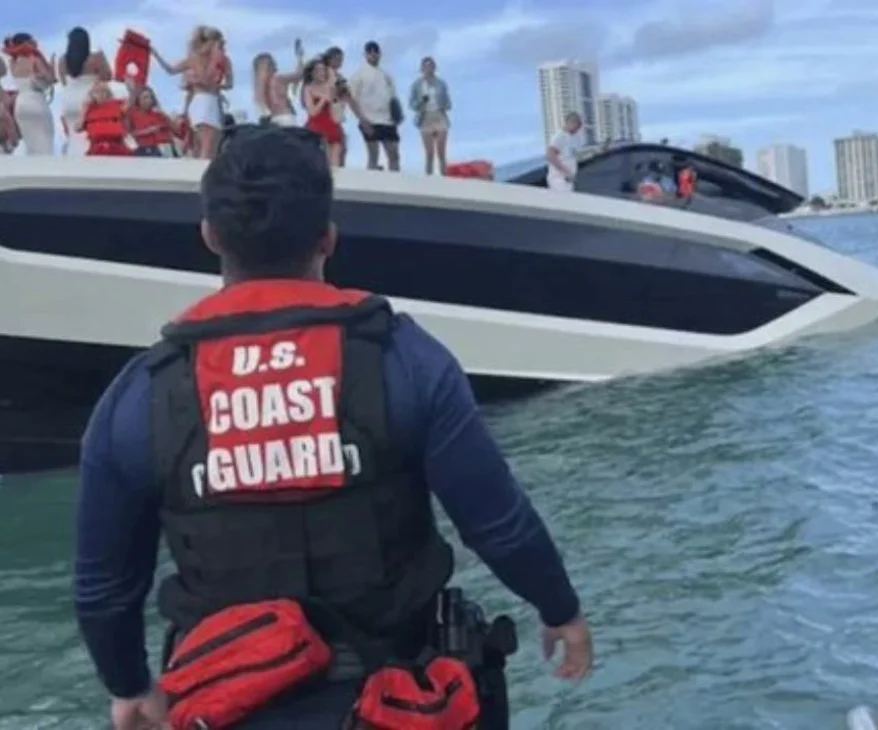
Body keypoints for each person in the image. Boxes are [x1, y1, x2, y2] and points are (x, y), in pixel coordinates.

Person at [73, 124, 593, 730]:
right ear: (328, 238)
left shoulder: (142, 393)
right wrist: (562, 611)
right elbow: (497, 524)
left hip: (225, 712)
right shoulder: (404, 358)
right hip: (398, 703)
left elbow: (104, 589)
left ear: (211, 237)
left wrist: (129, 684)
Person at [151, 26, 226, 159]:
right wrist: (155, 54)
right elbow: (171, 70)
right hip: (201, 101)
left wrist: (217, 86)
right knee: (205, 142)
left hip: (213, 102)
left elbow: (223, 83)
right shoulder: (194, 59)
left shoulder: (219, 60)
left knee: (212, 144)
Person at [58, 26, 111, 156]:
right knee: (90, 137)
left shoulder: (62, 61)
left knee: (73, 136)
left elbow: (64, 82)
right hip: (89, 98)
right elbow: (108, 76)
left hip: (69, 100)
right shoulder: (96, 57)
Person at [351, 40, 400, 171]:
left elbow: (392, 99)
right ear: (365, 54)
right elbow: (351, 99)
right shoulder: (359, 74)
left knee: (394, 155)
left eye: (375, 51)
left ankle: (395, 185)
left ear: (379, 54)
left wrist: (396, 118)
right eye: (370, 52)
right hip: (369, 119)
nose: (373, 54)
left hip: (387, 120)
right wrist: (362, 119)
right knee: (373, 156)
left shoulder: (386, 75)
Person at [3, 33, 56, 155]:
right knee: (45, 141)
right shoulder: (34, 59)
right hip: (36, 101)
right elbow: (49, 79)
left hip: (21, 104)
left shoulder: (13, 62)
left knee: (30, 143)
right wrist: (51, 68)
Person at [409, 56, 451, 175]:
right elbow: (412, 104)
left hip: (439, 115)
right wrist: (421, 102)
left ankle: (445, 177)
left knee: (441, 152)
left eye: (431, 66)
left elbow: (448, 102)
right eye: (426, 66)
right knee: (429, 153)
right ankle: (429, 180)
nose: (429, 69)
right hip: (425, 117)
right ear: (422, 68)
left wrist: (444, 105)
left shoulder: (441, 83)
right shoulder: (417, 85)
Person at [252, 40, 304, 127]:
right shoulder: (278, 79)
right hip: (286, 117)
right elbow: (299, 75)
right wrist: (300, 57)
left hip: (273, 119)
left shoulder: (259, 86)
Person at [303, 57, 344, 166]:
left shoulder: (330, 87)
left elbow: (336, 106)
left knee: (335, 157)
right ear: (312, 73)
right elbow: (312, 112)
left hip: (331, 124)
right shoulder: (308, 88)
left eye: (323, 70)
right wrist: (323, 99)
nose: (321, 73)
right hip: (316, 126)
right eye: (318, 70)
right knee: (322, 158)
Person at [80, 80, 132, 156]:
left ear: (108, 94)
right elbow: (78, 127)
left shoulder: (118, 105)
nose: (101, 94)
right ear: (92, 95)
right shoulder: (88, 109)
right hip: (96, 147)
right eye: (98, 92)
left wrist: (131, 90)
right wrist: (84, 109)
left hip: (117, 145)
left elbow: (130, 103)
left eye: (104, 91)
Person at [125, 84, 177, 156]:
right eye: (145, 97)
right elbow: (128, 134)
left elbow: (174, 130)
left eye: (151, 97)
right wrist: (146, 131)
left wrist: (165, 116)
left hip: (164, 147)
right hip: (143, 149)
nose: (149, 100)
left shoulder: (158, 113)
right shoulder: (132, 114)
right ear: (138, 99)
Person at [546, 111, 585, 191]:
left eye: (579, 126)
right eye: (577, 126)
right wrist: (565, 171)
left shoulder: (574, 137)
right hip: (559, 179)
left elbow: (574, 154)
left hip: (569, 179)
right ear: (570, 122)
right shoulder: (559, 136)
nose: (578, 128)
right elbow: (550, 156)